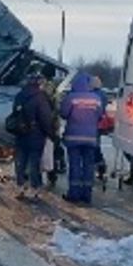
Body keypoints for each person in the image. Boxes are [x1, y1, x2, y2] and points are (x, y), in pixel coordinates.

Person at [12, 68, 57, 200]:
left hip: (21, 133)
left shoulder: (20, 95)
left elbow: (14, 113)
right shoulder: (41, 97)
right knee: (34, 163)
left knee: (20, 161)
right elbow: (45, 118)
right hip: (36, 135)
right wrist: (51, 134)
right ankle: (34, 189)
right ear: (38, 82)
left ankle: (20, 187)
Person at [60, 73, 104, 204]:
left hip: (73, 137)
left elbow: (63, 113)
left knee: (75, 165)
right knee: (88, 166)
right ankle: (87, 194)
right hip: (91, 137)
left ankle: (74, 193)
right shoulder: (96, 98)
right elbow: (100, 115)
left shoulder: (71, 97)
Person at [41, 63, 66, 183]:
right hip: (52, 123)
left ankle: (38, 175)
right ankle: (52, 173)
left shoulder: (40, 86)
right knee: (53, 148)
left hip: (41, 122)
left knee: (40, 149)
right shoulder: (56, 88)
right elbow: (58, 106)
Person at [90, 75, 109, 183]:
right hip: (100, 124)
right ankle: (101, 167)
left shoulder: (92, 94)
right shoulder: (103, 94)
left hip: (92, 124)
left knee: (93, 147)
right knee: (97, 145)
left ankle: (95, 167)